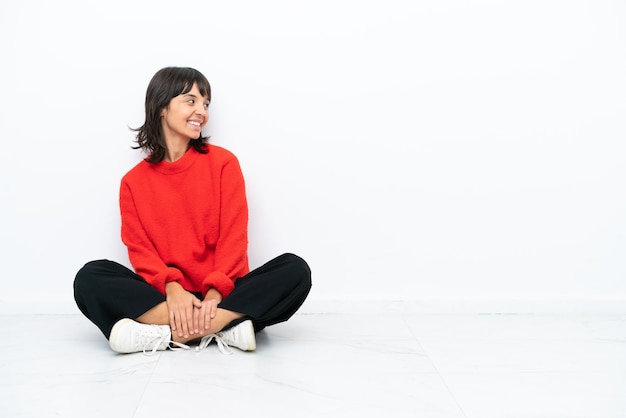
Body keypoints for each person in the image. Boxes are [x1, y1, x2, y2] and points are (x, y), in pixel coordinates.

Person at [73, 67, 312, 355]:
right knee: (90, 277)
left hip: (222, 294)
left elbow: (234, 238)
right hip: (166, 298)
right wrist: (173, 290)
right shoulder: (133, 183)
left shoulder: (224, 164)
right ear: (162, 106)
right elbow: (140, 252)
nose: (202, 111)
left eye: (206, 103)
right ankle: (227, 325)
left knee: (295, 270)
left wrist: (215, 293)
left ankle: (166, 334)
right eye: (191, 101)